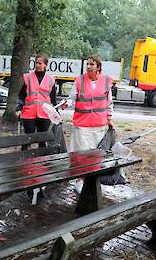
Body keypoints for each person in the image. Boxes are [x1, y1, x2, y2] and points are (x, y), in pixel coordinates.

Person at [64, 55, 114, 192]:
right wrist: (66, 103)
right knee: (81, 154)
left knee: (95, 156)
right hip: (82, 125)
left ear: (98, 67)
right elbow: (72, 98)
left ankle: (90, 180)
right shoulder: (79, 80)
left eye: (92, 64)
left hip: (99, 124)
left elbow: (109, 103)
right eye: (87, 64)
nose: (88, 66)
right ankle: (79, 180)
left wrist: (110, 118)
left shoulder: (106, 81)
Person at [16, 53, 56, 148]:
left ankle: (42, 162)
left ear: (45, 65)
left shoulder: (51, 80)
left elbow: (53, 99)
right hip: (29, 113)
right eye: (36, 63)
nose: (37, 65)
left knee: (42, 141)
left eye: (40, 63)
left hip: (45, 113)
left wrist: (55, 113)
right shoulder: (28, 78)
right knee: (27, 140)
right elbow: (21, 95)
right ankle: (24, 160)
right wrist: (18, 108)